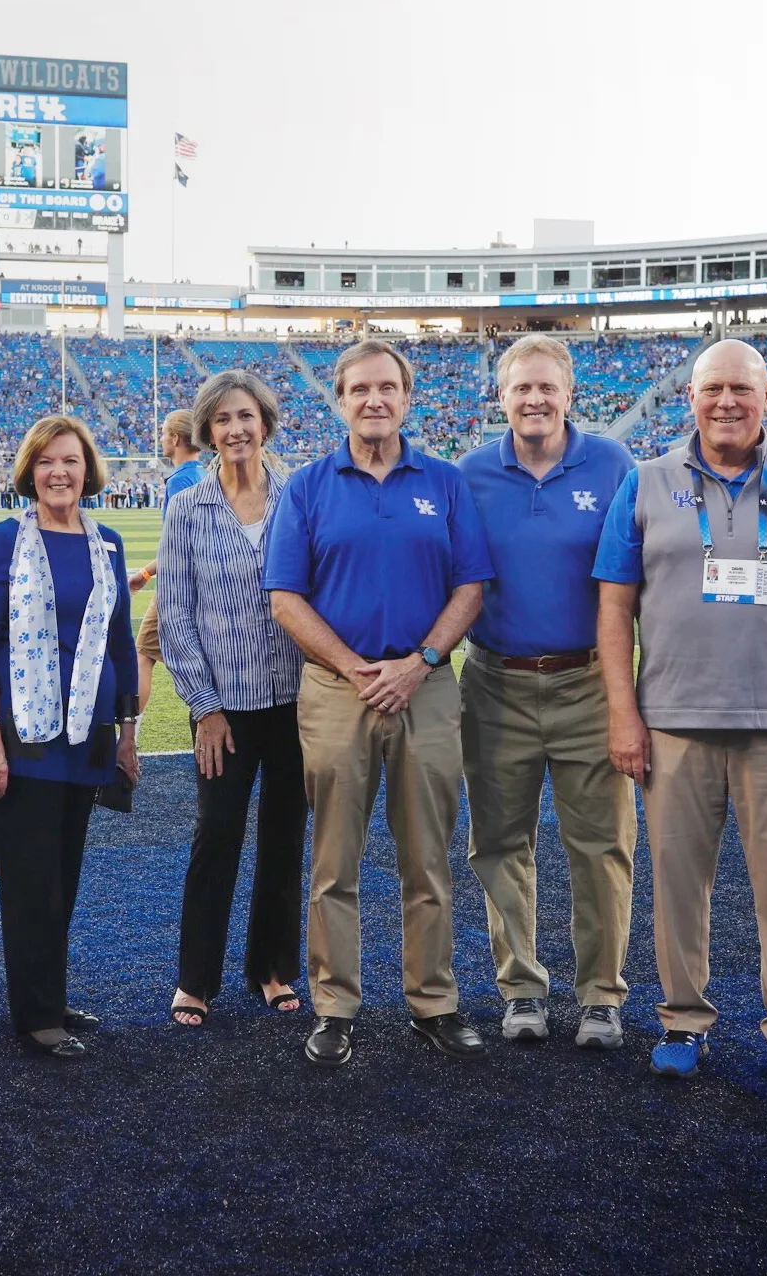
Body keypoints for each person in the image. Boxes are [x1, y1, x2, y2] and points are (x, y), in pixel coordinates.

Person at [592, 339, 767, 1100]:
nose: (725, 402)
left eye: (739, 389)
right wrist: (623, 714)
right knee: (677, 887)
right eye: (710, 388)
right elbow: (614, 606)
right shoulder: (646, 483)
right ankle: (682, 1020)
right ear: (688, 397)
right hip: (673, 723)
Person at [265, 338, 493, 1067]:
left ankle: (432, 1001)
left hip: (425, 689)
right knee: (335, 861)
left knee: (427, 857)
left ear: (406, 397)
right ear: (338, 400)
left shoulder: (445, 481)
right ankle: (334, 1006)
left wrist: (420, 661)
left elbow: (470, 586)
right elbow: (283, 598)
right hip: (337, 690)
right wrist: (357, 667)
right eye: (359, 388)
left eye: (386, 387)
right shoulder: (306, 486)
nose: (373, 399)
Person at [457, 335, 638, 1049]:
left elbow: (633, 579)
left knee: (600, 847)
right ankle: (520, 987)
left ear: (568, 395)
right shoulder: (468, 473)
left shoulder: (612, 464)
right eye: (519, 388)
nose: (533, 400)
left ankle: (600, 995)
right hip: (495, 682)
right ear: (499, 398)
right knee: (499, 843)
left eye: (545, 388)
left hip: (588, 681)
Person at [0, 415, 139, 1058]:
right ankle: (35, 1017)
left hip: (87, 733)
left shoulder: (108, 542)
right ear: (28, 471)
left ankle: (50, 995)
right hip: (24, 734)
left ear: (87, 468)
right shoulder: (7, 541)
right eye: (45, 462)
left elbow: (120, 642)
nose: (58, 472)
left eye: (69, 460)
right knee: (30, 878)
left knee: (62, 876)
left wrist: (128, 732)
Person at [158, 371, 307, 1028]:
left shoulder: (298, 499)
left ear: (265, 423)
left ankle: (272, 967)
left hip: (297, 704)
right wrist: (204, 706)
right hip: (224, 708)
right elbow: (174, 614)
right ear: (206, 431)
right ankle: (196, 979)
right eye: (222, 420)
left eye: (245, 416)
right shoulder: (187, 507)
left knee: (284, 838)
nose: (236, 430)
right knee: (214, 835)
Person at [128, 411, 205, 716]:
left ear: (175, 438)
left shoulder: (181, 479)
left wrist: (145, 573)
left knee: (143, 653)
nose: (161, 439)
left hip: (179, 583)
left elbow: (177, 542)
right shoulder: (204, 474)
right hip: (202, 579)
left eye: (163, 433)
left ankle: (129, 735)